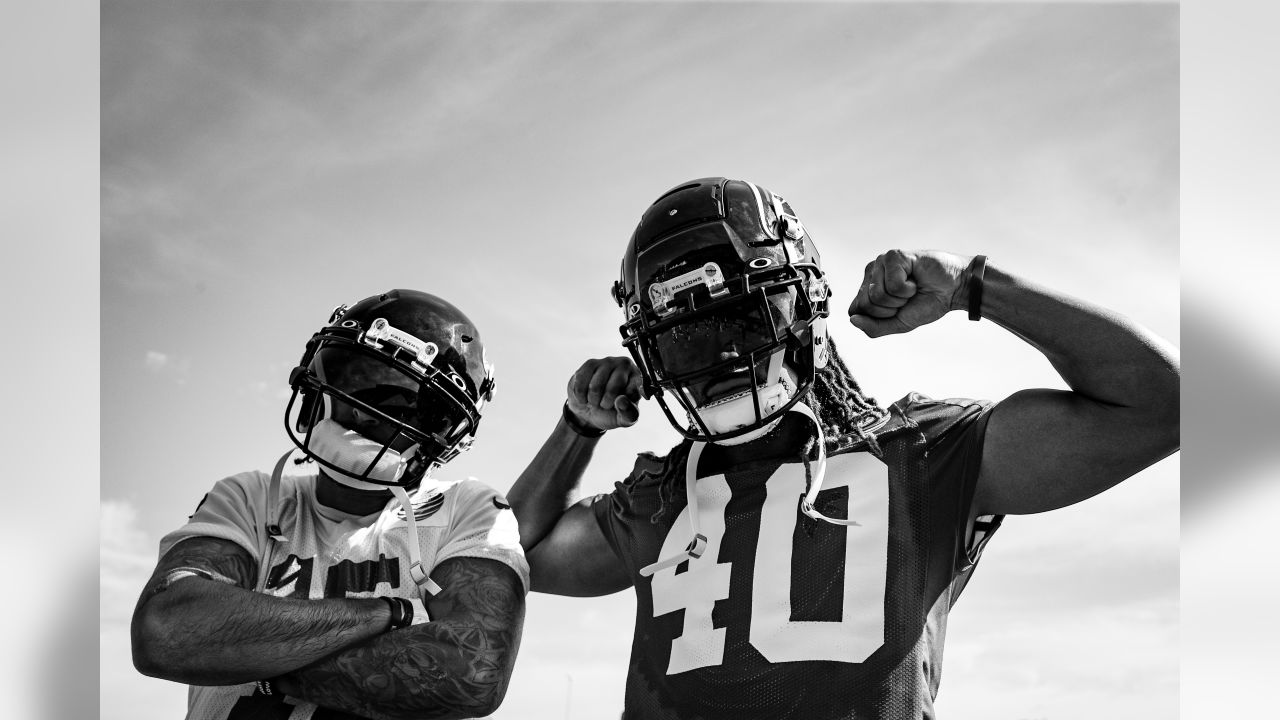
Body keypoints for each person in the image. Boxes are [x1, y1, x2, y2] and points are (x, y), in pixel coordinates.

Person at [506, 177, 1179, 719]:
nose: (717, 357)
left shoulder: (922, 451)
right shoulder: (661, 492)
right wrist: (575, 428)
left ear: (800, 307)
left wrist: (974, 286)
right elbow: (506, 558)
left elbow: (1165, 405)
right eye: (685, 337)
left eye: (739, 319)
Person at [132, 289, 528, 720]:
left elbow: (472, 673)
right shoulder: (250, 497)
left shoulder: (467, 509)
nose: (364, 412)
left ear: (442, 432)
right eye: (353, 379)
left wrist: (246, 652)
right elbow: (166, 630)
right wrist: (391, 612)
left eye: (402, 402)